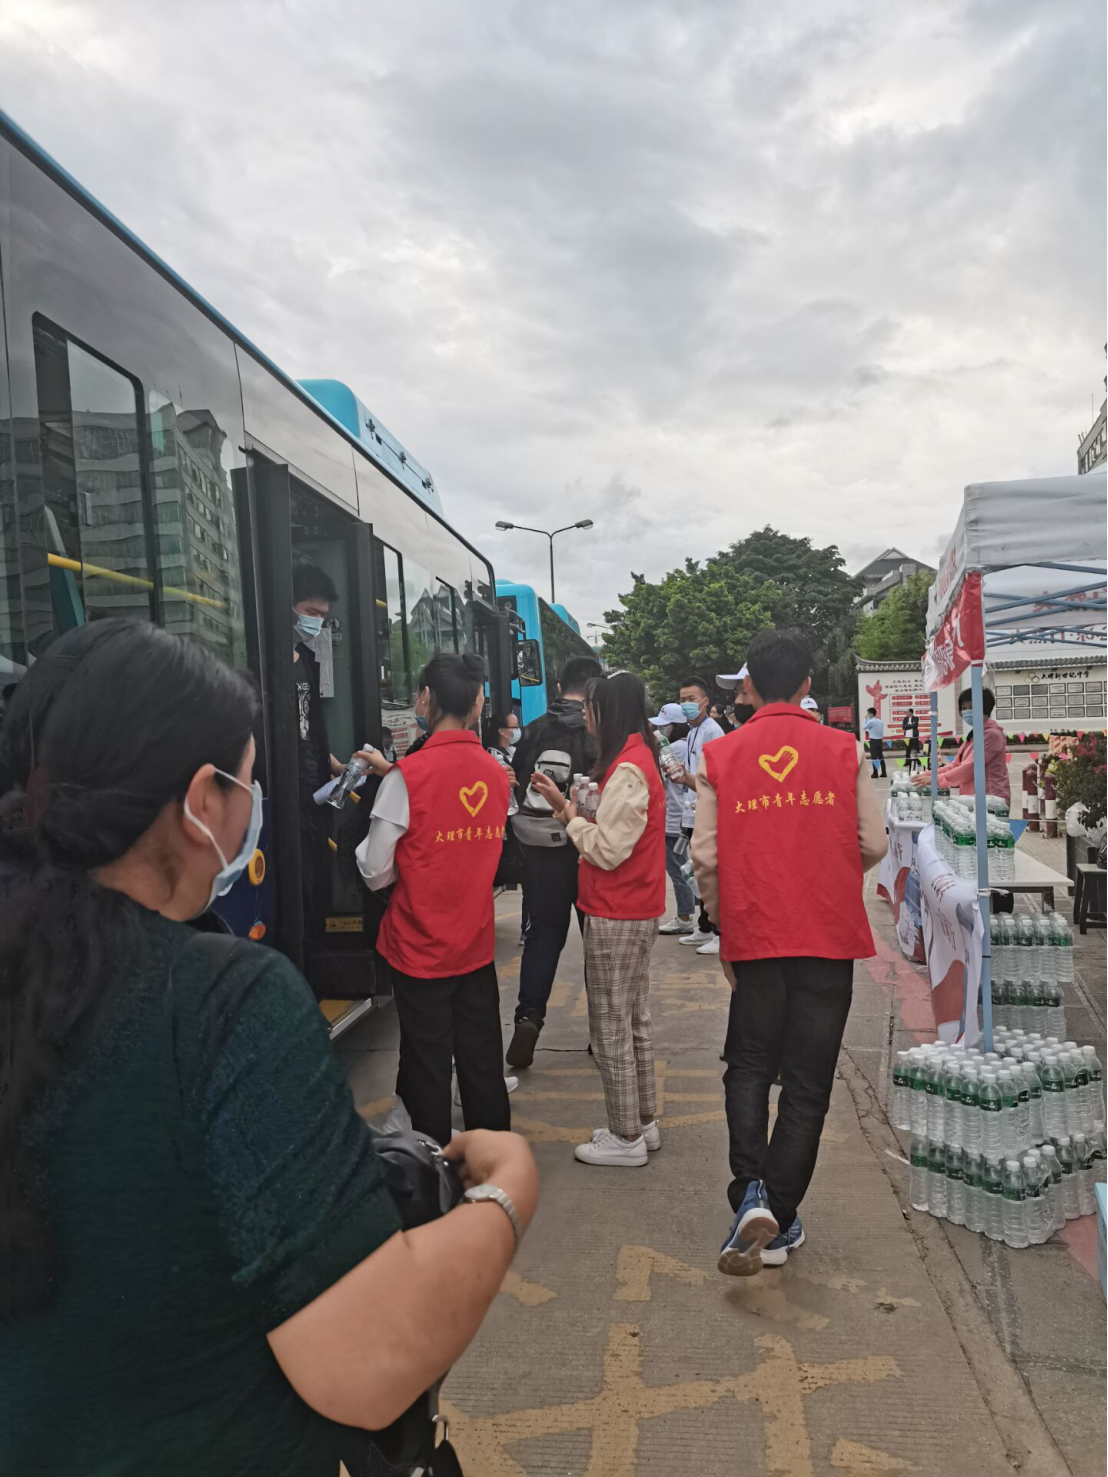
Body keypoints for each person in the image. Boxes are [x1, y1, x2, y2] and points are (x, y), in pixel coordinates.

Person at [0, 620, 538, 1476]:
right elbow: (371, 1358)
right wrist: (509, 1191)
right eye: (249, 780)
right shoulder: (220, 1002)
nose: (251, 806)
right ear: (201, 800)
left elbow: (376, 867)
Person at [692, 628, 886, 1276]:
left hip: (756, 931)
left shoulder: (721, 754)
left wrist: (724, 922)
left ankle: (752, 1194)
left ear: (748, 684)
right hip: (827, 934)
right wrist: (826, 864)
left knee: (748, 1065)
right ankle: (778, 1210)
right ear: (806, 684)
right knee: (807, 1081)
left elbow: (706, 856)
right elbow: (874, 843)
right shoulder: (843, 749)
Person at [356, 653, 512, 1149]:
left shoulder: (407, 776)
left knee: (427, 1058)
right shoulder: (495, 773)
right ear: (476, 704)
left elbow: (375, 870)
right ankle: (493, 1157)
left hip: (420, 943)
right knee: (481, 1056)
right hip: (475, 940)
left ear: (426, 698)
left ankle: (429, 1162)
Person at [531, 672, 667, 1168]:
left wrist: (569, 818)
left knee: (611, 1024)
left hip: (617, 909)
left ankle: (625, 1136)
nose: (584, 714)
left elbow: (607, 849)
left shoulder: (628, 768)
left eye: (590, 707)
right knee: (633, 1019)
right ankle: (641, 1122)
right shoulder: (635, 758)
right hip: (633, 906)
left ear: (609, 711)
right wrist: (567, 807)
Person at [505, 655, 602, 1068]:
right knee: (597, 940)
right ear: (595, 688)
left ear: (558, 686)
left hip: (542, 851)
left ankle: (529, 1016)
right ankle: (603, 1032)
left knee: (543, 934)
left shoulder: (533, 730)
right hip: (590, 852)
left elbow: (515, 784)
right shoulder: (600, 732)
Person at [292, 564, 375, 934]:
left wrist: (336, 765)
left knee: (314, 885)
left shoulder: (306, 660)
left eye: (323, 616)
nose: (316, 623)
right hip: (288, 799)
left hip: (314, 796)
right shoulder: (265, 663)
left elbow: (307, 729)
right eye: (310, 612)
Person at [672, 676, 726, 954]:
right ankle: (705, 927)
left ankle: (720, 932)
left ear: (705, 701)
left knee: (710, 872)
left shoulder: (712, 732)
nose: (686, 704)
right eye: (682, 699)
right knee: (698, 871)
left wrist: (686, 779)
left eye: (691, 699)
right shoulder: (693, 730)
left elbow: (715, 780)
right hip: (693, 810)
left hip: (708, 811)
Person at [913, 685, 1010, 803]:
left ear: (984, 707)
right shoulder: (974, 735)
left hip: (991, 798)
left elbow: (970, 767)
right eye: (964, 708)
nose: (967, 712)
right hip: (974, 797)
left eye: (971, 707)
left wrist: (936, 779)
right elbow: (956, 764)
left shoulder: (991, 735)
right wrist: (930, 774)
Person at [649, 702, 695, 934]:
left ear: (676, 726)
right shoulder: (687, 744)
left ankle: (684, 917)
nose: (661, 730)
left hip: (673, 817)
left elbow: (659, 778)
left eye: (665, 726)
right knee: (684, 865)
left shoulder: (673, 748)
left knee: (677, 869)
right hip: (682, 814)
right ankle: (691, 911)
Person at [863, 706, 886, 778]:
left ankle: (875, 773)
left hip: (873, 741)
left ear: (872, 714)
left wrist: (865, 719)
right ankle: (884, 772)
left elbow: (864, 727)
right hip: (879, 740)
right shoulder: (880, 721)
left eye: (868, 713)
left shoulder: (871, 721)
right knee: (880, 757)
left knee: (874, 757)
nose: (868, 715)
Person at [902, 706, 922, 773]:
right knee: (907, 750)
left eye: (907, 712)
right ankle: (907, 762)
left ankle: (919, 762)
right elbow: (903, 727)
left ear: (910, 712)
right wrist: (910, 726)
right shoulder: (905, 719)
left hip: (914, 737)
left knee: (916, 749)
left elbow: (915, 726)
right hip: (907, 737)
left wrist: (908, 726)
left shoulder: (916, 718)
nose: (906, 713)